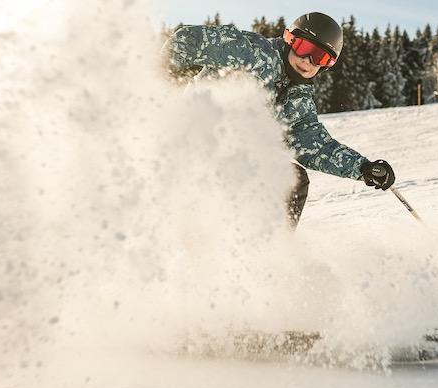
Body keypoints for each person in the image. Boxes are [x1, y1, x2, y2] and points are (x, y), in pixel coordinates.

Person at [164, 12, 396, 228]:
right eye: (304, 47)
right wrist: (162, 84)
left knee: (292, 181)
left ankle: (271, 255)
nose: (307, 60)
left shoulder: (298, 102)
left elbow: (317, 147)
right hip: (188, 140)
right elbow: (188, 39)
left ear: (326, 65)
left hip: (231, 162)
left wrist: (363, 167)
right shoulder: (253, 52)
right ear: (290, 40)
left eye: (319, 57)